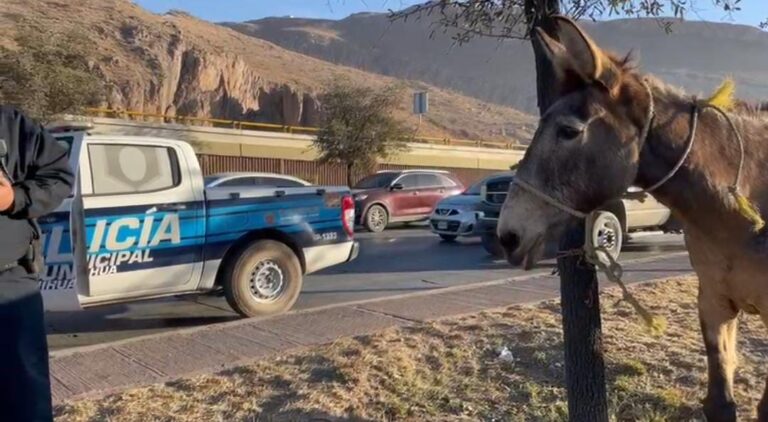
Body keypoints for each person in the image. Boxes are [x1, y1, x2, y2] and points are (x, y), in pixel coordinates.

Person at [0, 105, 75, 421]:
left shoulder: (11, 124)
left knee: (24, 396)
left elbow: (59, 177)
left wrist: (13, 198)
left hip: (10, 285)